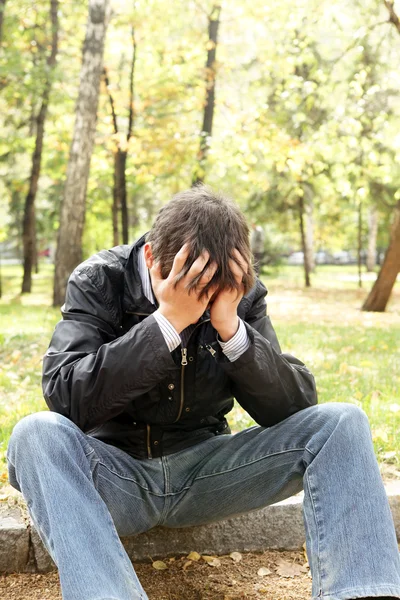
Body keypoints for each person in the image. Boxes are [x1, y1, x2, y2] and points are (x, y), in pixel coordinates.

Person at [7, 185, 400, 600]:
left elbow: (294, 408)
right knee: (35, 433)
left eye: (217, 288)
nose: (206, 299)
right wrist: (167, 323)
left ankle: (362, 592)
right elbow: (66, 398)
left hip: (209, 475)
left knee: (343, 422)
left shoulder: (242, 292)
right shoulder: (99, 279)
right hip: (114, 476)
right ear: (151, 259)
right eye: (195, 285)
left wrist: (232, 329)